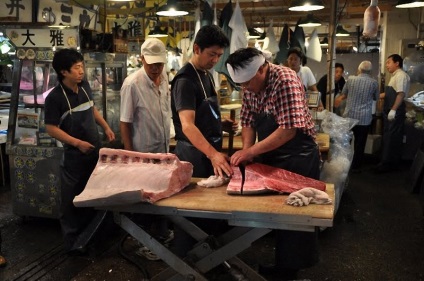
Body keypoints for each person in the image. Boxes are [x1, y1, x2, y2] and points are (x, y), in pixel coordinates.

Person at [226, 47, 321, 280]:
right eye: (241, 85)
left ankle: (290, 271)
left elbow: (288, 130)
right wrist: (247, 151)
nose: (245, 88)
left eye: (247, 83)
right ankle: (282, 265)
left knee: (296, 217)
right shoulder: (249, 85)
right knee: (275, 214)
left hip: (297, 154)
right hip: (272, 152)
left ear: (261, 69)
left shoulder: (285, 80)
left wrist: (252, 152)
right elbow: (247, 120)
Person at [44, 48, 115, 253]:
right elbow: (51, 128)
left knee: (94, 194)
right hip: (74, 156)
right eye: (76, 68)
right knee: (72, 200)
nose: (81, 71)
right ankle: (74, 243)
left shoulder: (83, 87)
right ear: (64, 72)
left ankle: (93, 238)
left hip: (94, 152)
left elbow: (92, 108)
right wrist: (76, 143)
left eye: (82, 66)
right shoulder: (55, 98)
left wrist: (106, 126)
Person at [120, 38, 173, 260]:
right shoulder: (132, 84)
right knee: (144, 201)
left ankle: (160, 235)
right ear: (142, 58)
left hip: (164, 149)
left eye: (159, 64)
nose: (155, 68)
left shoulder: (165, 79)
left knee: (161, 196)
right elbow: (125, 122)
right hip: (143, 152)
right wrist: (131, 156)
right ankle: (145, 242)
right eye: (151, 63)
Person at [171, 25, 233, 179]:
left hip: (207, 151)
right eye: (212, 54)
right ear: (197, 49)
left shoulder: (207, 74)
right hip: (192, 155)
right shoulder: (185, 80)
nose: (215, 60)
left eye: (219, 55)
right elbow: (187, 125)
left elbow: (202, 114)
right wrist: (213, 155)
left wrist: (219, 124)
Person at [334, 61, 379, 172]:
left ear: (359, 69)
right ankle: (356, 165)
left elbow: (343, 95)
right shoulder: (374, 83)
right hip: (364, 118)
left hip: (349, 116)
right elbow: (375, 98)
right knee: (360, 143)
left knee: (346, 141)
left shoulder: (350, 79)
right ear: (370, 71)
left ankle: (344, 163)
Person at [376, 54, 410, 173]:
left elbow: (400, 94)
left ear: (397, 63)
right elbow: (389, 93)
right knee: (388, 137)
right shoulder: (394, 76)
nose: (387, 65)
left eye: (388, 62)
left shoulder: (401, 75)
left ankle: (388, 165)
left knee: (392, 138)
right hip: (389, 111)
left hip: (395, 112)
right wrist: (374, 96)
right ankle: (385, 162)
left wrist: (394, 109)